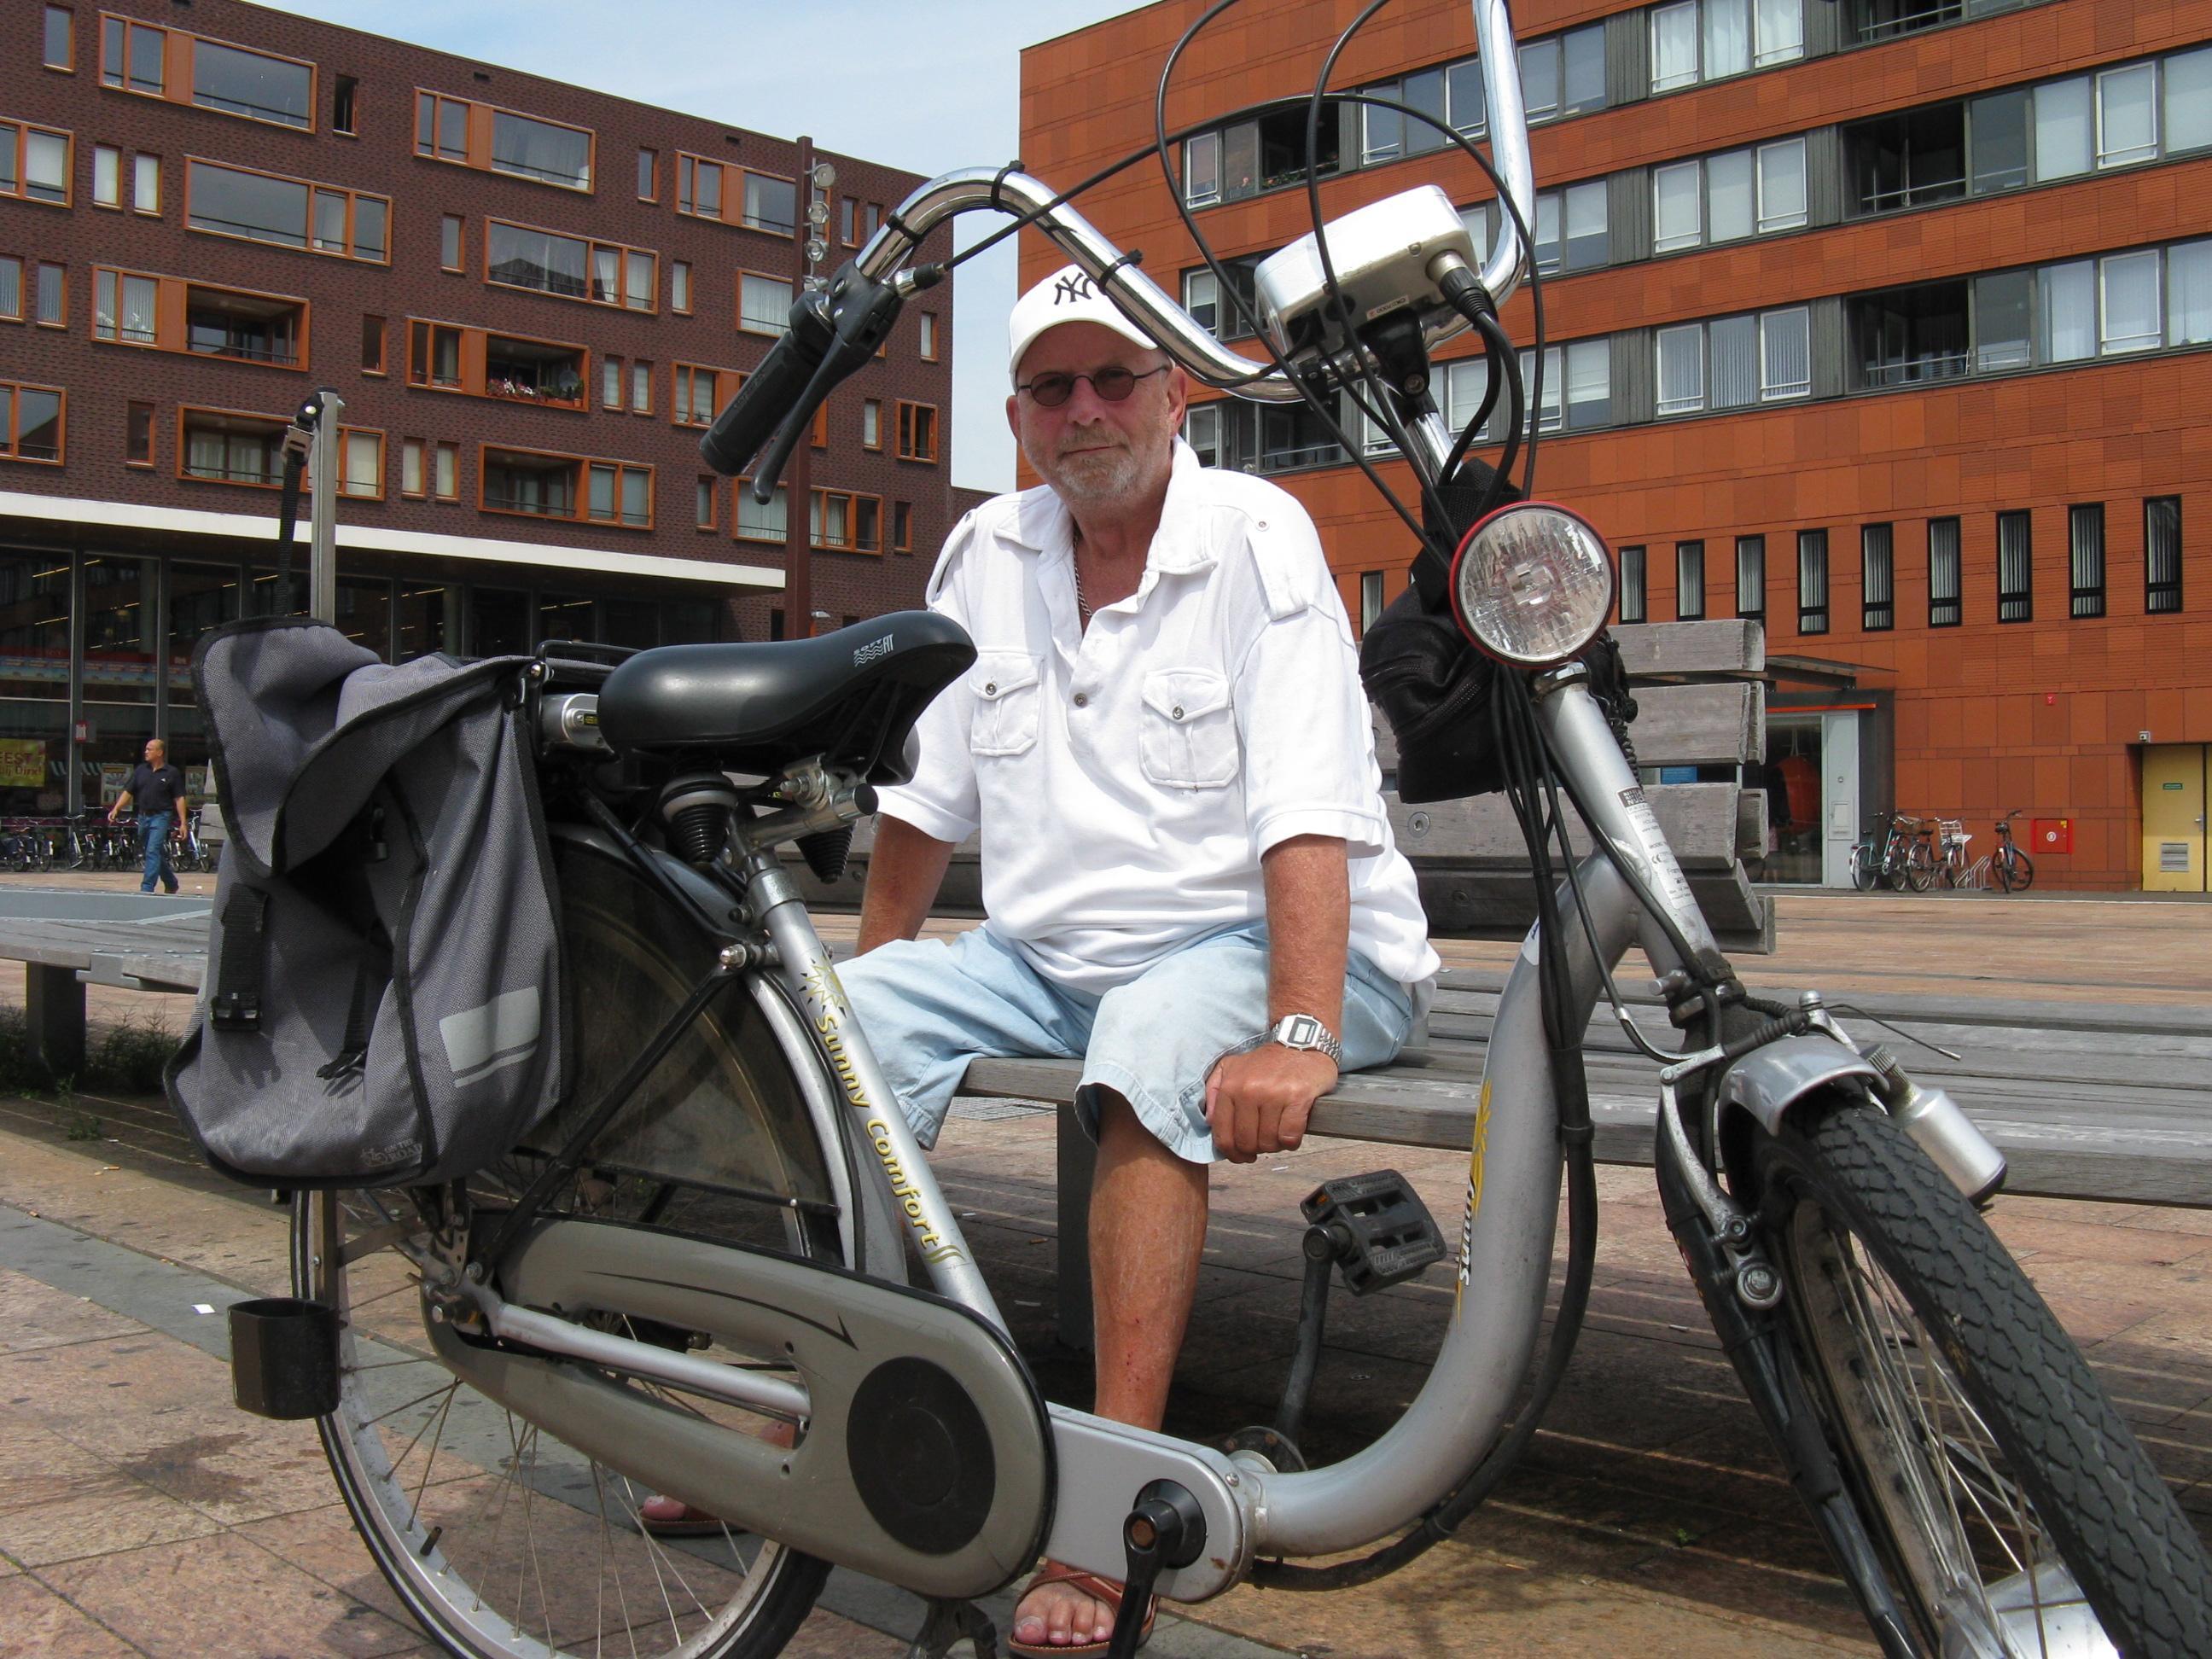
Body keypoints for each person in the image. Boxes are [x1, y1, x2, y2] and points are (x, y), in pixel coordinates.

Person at [108, 737, 188, 896]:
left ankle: (147, 888)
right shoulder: (141, 770)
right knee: (153, 852)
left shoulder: (171, 773)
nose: (146, 752)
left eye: (149, 749)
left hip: (161, 816)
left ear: (160, 752)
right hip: (143, 817)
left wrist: (183, 823)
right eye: (146, 749)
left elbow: (179, 798)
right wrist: (116, 808)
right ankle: (171, 882)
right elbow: (128, 791)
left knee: (152, 850)